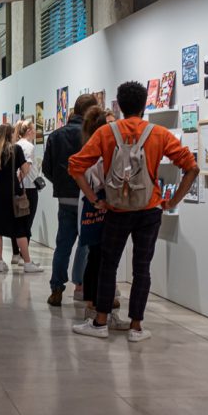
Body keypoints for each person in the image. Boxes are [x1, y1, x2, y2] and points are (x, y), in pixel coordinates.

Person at [69, 81, 199, 342]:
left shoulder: (107, 133)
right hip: (149, 209)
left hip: (117, 208)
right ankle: (136, 327)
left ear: (120, 104)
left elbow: (75, 165)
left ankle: (100, 323)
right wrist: (173, 200)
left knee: (109, 265)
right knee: (142, 269)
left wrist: (95, 198)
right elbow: (192, 167)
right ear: (144, 104)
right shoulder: (159, 134)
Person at [42, 93, 98, 306]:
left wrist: (60, 182)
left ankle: (56, 288)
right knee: (86, 244)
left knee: (63, 245)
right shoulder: (92, 134)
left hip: (65, 198)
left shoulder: (56, 135)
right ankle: (80, 285)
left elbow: (46, 168)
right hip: (88, 196)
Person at [77, 107, 123, 320]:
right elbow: (91, 177)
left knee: (102, 256)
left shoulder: (100, 149)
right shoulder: (94, 152)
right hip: (99, 206)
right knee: (98, 256)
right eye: (111, 122)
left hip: (101, 205)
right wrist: (97, 199)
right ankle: (94, 302)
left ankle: (99, 299)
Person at [0, 125, 38, 273]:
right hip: (13, 193)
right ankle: (27, 263)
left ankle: (0, 262)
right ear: (10, 135)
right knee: (20, 229)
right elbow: (25, 170)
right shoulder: (15, 149)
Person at [13, 119, 43, 272]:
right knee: (27, 223)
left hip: (21, 188)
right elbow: (25, 169)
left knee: (20, 221)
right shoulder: (29, 146)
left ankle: (20, 256)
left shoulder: (17, 144)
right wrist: (18, 183)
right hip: (28, 189)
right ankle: (26, 260)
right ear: (30, 131)